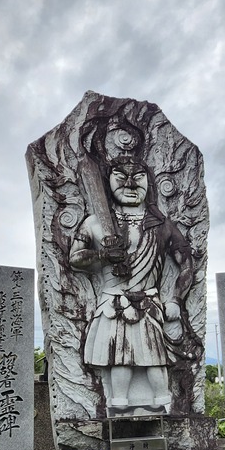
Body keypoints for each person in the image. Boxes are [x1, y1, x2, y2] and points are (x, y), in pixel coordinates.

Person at [69, 158, 193, 410]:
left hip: (148, 300)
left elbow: (187, 264)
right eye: (120, 177)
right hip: (112, 300)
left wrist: (176, 300)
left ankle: (163, 403)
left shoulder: (161, 224)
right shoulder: (94, 223)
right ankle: (118, 404)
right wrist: (103, 255)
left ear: (149, 182)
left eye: (137, 178)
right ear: (108, 182)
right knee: (118, 356)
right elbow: (75, 258)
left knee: (154, 356)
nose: (129, 184)